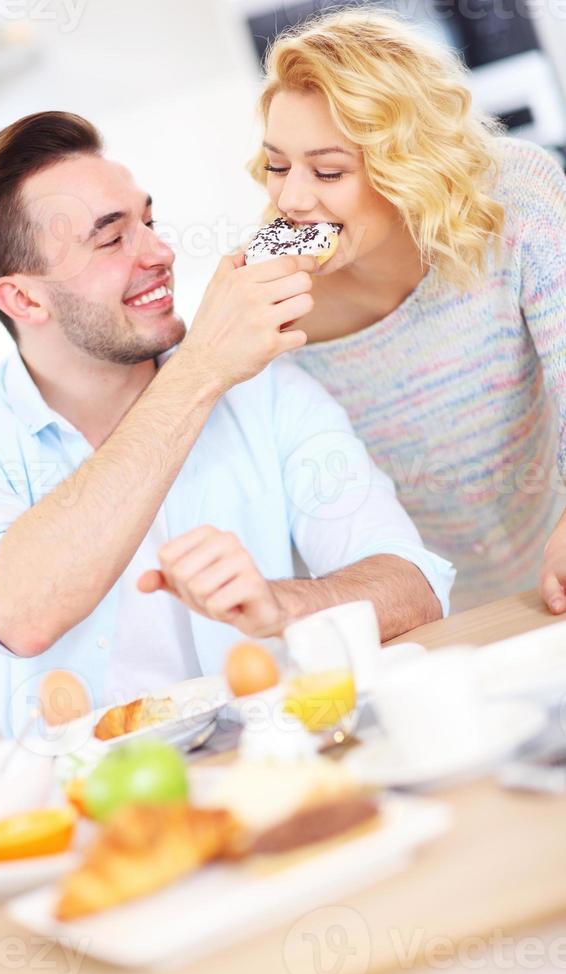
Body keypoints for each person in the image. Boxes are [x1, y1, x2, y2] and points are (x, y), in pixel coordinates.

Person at [0, 112, 452, 733]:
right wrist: (197, 370)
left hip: (289, 767)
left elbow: (415, 584)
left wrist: (285, 605)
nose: (162, 253)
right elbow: (21, 613)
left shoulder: (266, 393)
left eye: (149, 222)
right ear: (24, 300)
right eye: (112, 240)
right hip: (96, 815)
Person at [248, 9, 566, 613]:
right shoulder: (272, 288)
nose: (290, 199)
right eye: (278, 165)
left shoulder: (518, 198)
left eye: (328, 170)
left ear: (409, 165)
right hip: (415, 614)